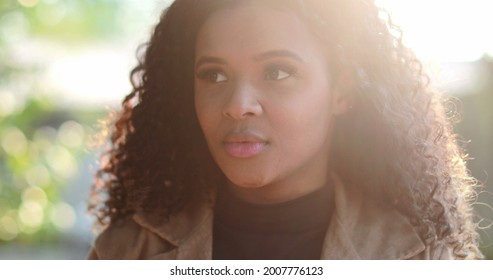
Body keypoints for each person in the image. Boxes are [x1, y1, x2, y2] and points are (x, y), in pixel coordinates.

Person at [88, 0, 483, 259]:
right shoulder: (124, 252)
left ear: (341, 91)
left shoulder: (426, 258)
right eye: (214, 75)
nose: (238, 105)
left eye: (277, 72)